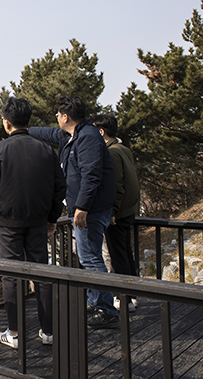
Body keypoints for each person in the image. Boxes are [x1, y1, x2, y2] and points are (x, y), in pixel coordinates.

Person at [0, 97, 66, 348]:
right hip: (38, 221)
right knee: (41, 272)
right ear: (28, 121)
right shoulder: (46, 150)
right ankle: (48, 331)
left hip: (7, 223)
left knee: (11, 275)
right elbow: (59, 187)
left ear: (7, 123)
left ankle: (14, 333)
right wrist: (52, 218)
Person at [29, 96, 119, 329]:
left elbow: (92, 175)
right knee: (88, 256)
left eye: (58, 115)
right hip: (89, 208)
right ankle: (95, 300)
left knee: (90, 258)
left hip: (90, 210)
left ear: (65, 116)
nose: (56, 118)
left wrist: (82, 208)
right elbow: (49, 134)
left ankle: (107, 311)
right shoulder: (74, 135)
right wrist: (24, 130)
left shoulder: (87, 138)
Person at [92, 114, 140, 312]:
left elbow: (117, 185)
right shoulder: (124, 149)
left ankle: (124, 298)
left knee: (118, 256)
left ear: (101, 132)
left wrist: (112, 211)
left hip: (117, 214)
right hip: (129, 211)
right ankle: (132, 295)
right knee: (126, 254)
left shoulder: (111, 153)